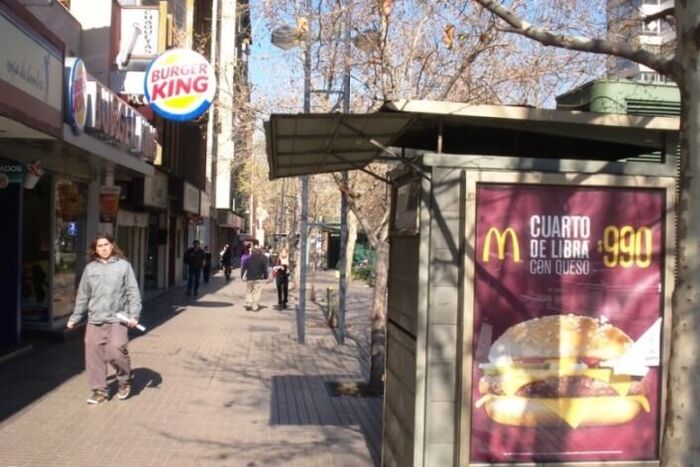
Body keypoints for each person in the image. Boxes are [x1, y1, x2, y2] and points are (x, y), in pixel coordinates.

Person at [66, 233, 141, 405]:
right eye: (99, 246)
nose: (103, 248)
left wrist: (134, 315)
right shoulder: (90, 269)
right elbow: (83, 295)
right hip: (95, 319)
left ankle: (124, 380)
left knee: (116, 350)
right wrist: (75, 316)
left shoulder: (124, 266)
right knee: (94, 355)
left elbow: (133, 292)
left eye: (106, 244)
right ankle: (99, 390)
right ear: (95, 250)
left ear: (112, 245)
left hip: (117, 318)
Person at [242, 241, 269, 311]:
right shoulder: (261, 259)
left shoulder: (248, 259)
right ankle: (255, 305)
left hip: (249, 277)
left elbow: (244, 267)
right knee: (257, 292)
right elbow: (264, 269)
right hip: (258, 278)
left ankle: (248, 303)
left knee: (249, 291)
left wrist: (242, 276)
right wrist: (266, 277)